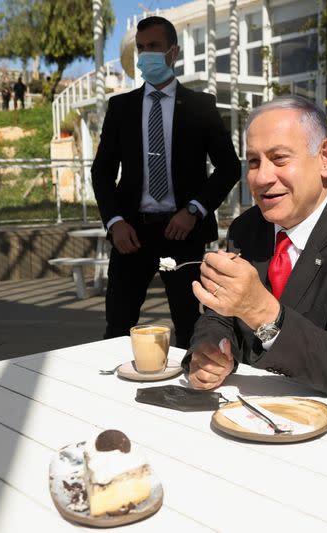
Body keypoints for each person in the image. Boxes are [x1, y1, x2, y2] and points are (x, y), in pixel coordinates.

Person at [183, 95, 327, 399]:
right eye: (253, 162)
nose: (261, 177)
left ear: (325, 158)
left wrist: (260, 310)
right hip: (255, 412)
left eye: (279, 159)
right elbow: (219, 314)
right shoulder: (245, 229)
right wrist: (211, 349)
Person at [91, 16, 241, 349]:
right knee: (117, 325)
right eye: (141, 48)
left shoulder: (201, 106)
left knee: (190, 326)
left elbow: (229, 167)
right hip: (131, 236)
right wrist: (115, 223)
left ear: (172, 53)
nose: (145, 55)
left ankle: (192, 392)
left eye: (154, 47)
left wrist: (194, 210)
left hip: (183, 234)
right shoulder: (120, 108)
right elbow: (101, 172)